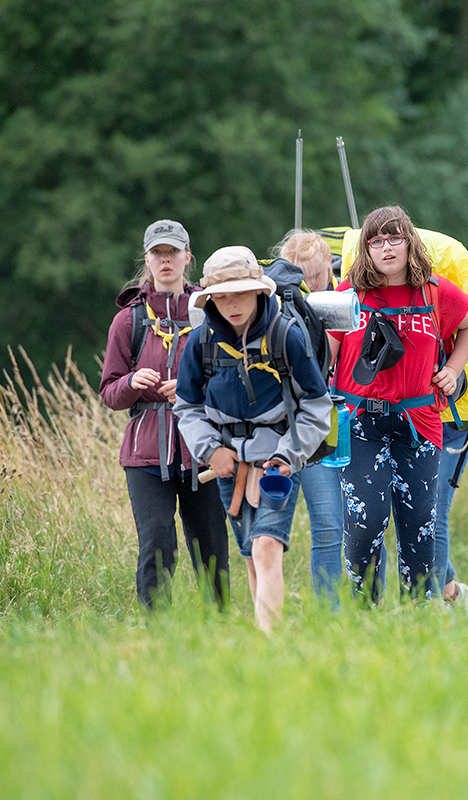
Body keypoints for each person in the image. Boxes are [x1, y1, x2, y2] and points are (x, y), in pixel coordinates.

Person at [331, 206, 468, 602]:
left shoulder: (435, 292)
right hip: (359, 420)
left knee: (419, 525)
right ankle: (365, 612)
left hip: (419, 421)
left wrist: (452, 368)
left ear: (409, 242)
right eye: (376, 240)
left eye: (394, 238)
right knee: (365, 522)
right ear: (366, 248)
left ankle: (418, 613)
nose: (386, 247)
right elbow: (322, 352)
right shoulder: (348, 296)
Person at [175, 246, 332, 632]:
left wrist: (288, 456)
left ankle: (269, 642)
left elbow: (316, 406)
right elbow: (187, 407)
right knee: (250, 554)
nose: (232, 304)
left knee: (266, 547)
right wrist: (211, 451)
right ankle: (266, 636)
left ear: (260, 292)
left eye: (241, 294)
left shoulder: (286, 336)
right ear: (210, 299)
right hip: (228, 467)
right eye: (223, 296)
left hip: (278, 462)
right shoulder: (200, 342)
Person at [100, 220, 229, 610]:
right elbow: (109, 392)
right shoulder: (129, 319)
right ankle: (157, 626)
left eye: (173, 252)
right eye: (158, 253)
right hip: (145, 454)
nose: (165, 260)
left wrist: (194, 391)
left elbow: (233, 381)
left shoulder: (212, 313)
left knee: (211, 541)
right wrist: (133, 383)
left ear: (188, 257)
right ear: (147, 259)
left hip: (203, 447)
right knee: (156, 540)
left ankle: (220, 623)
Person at [264, 229, 345, 604]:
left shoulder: (343, 300)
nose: (307, 283)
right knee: (267, 531)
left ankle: (334, 613)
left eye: (314, 274)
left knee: (331, 525)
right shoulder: (271, 304)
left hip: (326, 429)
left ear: (328, 267)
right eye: (300, 273)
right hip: (283, 427)